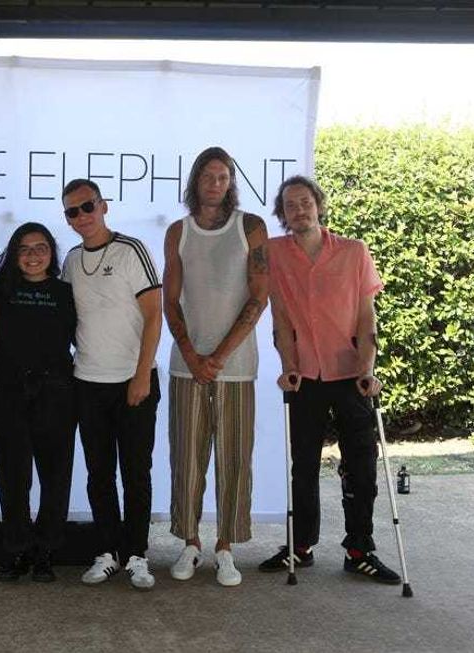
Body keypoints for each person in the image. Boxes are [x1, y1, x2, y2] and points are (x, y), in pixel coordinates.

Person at [260, 174, 401, 585]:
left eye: (305, 202)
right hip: (305, 376)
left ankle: (359, 549)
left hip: (350, 374)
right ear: (282, 214)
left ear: (319, 205)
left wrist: (367, 370)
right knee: (303, 466)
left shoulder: (354, 251)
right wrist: (287, 365)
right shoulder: (275, 253)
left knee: (361, 466)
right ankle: (301, 546)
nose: (299, 210)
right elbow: (281, 319)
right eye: (290, 205)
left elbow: (366, 317)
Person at [163, 147, 268, 586]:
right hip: (186, 367)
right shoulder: (178, 231)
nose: (215, 183)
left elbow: (258, 297)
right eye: (208, 176)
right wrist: (191, 354)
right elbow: (170, 300)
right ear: (195, 181)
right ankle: (190, 542)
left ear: (231, 182)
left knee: (234, 459)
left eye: (223, 176)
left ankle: (225, 546)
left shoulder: (251, 227)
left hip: (236, 366)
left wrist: (219, 356)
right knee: (187, 459)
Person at [61, 179, 163, 590]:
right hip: (88, 382)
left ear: (103, 206)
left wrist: (142, 374)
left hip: (133, 382)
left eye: (87, 206)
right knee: (99, 474)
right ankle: (108, 552)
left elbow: (154, 315)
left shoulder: (132, 250)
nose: (81, 216)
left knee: (136, 473)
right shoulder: (70, 261)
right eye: (72, 211)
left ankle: (137, 554)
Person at [0, 223, 77, 583]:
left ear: (51, 253)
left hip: (56, 392)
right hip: (9, 392)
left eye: (41, 247)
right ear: (14, 254)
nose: (33, 255)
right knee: (12, 476)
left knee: (55, 477)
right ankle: (17, 549)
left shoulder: (66, 292)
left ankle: (46, 552)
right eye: (24, 249)